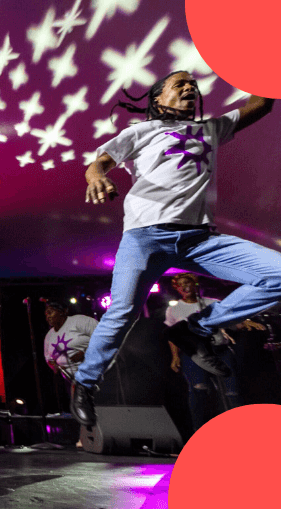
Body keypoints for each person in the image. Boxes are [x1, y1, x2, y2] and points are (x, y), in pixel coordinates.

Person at [71, 70, 278, 427]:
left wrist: (263, 63)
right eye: (179, 84)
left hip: (199, 239)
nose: (189, 88)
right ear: (157, 99)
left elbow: (261, 105)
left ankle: (195, 329)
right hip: (145, 238)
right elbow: (100, 162)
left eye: (192, 86)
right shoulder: (142, 131)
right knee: (122, 313)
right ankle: (85, 383)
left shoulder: (211, 129)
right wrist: (97, 177)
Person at [165, 273, 264, 432]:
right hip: (195, 354)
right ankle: (199, 432)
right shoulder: (174, 309)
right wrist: (175, 356)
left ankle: (242, 430)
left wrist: (245, 322)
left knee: (233, 392)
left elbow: (231, 319)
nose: (185, 286)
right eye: (181, 284)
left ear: (195, 283)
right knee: (199, 391)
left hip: (220, 350)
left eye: (188, 282)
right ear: (177, 288)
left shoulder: (211, 302)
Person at [43, 301, 97, 379]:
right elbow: (49, 359)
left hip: (97, 373)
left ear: (63, 312)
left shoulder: (79, 320)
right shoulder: (48, 336)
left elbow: (103, 336)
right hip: (73, 381)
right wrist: (57, 367)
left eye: (50, 312)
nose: (48, 317)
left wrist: (86, 353)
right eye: (46, 314)